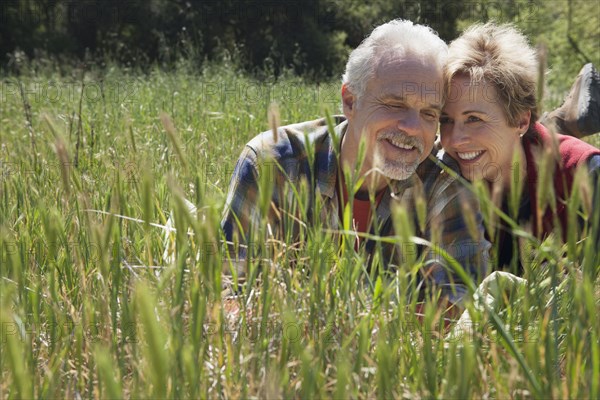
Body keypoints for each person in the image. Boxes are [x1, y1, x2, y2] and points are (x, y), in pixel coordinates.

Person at [220, 19, 490, 309]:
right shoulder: (273, 164)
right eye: (395, 105)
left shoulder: (443, 182)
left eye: (428, 113)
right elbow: (232, 292)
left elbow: (463, 299)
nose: (412, 127)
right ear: (350, 102)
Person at [438, 22, 600, 273]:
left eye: (474, 119)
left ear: (522, 119)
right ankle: (565, 118)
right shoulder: (439, 174)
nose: (454, 139)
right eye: (445, 120)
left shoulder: (588, 177)